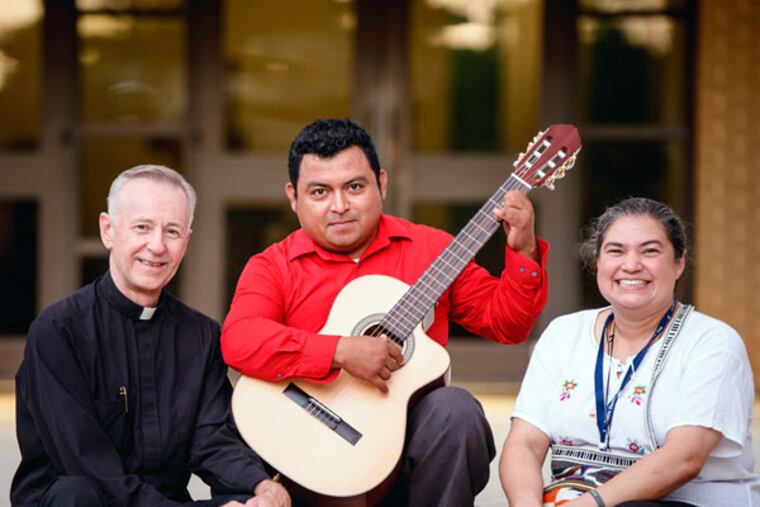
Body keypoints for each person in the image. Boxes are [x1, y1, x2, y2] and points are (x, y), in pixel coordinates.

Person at [221, 118, 550, 505]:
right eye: (319, 192)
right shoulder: (273, 265)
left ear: (382, 183)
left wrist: (523, 251)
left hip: (403, 455)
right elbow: (240, 340)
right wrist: (339, 351)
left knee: (456, 411)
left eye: (354, 187)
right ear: (294, 197)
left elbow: (507, 324)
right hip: (306, 458)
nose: (339, 206)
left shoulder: (432, 250)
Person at [11, 165, 290, 507]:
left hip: (165, 501)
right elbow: (88, 464)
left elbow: (213, 438)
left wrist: (260, 485)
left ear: (185, 242)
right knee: (77, 494)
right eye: (142, 227)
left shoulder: (200, 335)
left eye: (172, 231)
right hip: (82, 499)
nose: (156, 246)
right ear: (108, 230)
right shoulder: (58, 332)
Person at [500, 197, 759, 507]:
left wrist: (585, 506)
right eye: (616, 251)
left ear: (679, 263)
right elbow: (524, 444)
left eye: (650, 251)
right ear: (598, 262)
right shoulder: (563, 334)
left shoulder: (712, 342)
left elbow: (683, 459)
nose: (631, 264)